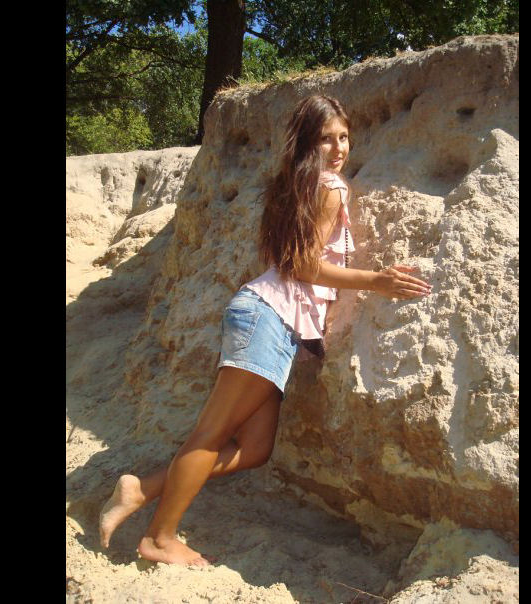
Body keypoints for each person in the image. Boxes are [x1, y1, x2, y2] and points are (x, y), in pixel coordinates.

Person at [99, 95, 432, 566]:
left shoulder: (294, 184)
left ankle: (143, 488)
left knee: (255, 449)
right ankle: (159, 537)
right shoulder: (329, 187)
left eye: (344, 137)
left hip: (270, 321)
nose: (339, 148)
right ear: (307, 142)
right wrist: (376, 280)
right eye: (326, 139)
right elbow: (303, 265)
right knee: (210, 434)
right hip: (267, 317)